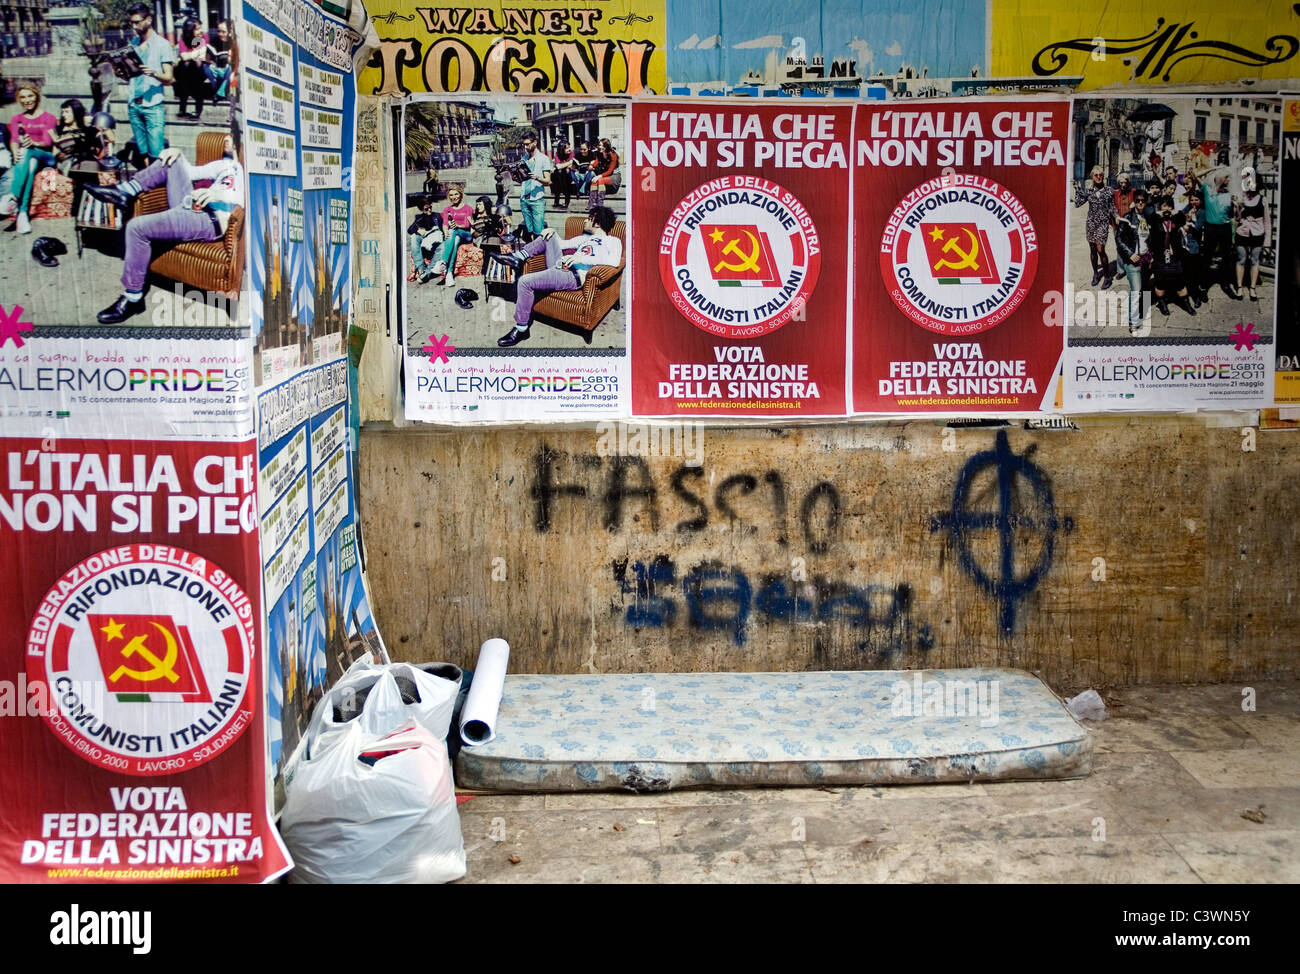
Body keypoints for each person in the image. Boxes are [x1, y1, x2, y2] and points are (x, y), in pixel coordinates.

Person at [84, 129, 243, 323]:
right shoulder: (225, 165)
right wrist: (178, 153)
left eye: (230, 137)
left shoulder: (246, 171)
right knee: (171, 161)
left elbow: (252, 201)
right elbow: (192, 172)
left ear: (237, 143)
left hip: (208, 219)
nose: (224, 139)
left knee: (136, 228)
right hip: (190, 205)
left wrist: (220, 195)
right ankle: (126, 191)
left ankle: (133, 298)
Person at [489, 205, 621, 347]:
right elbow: (561, 244)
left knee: (524, 282)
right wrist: (552, 231)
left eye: (589, 219)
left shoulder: (613, 241)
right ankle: (518, 257)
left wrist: (581, 259)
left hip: (573, 275)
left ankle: (522, 329)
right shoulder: (585, 238)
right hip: (560, 266)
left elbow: (614, 262)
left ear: (597, 223)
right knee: (549, 235)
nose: (585, 222)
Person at [1, 85, 59, 234]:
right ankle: (22, 214)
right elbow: (14, 140)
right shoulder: (17, 119)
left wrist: (33, 144)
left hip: (47, 157)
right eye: (23, 97)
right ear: (19, 100)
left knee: (28, 152)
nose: (27, 100)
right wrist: (15, 154)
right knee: (30, 162)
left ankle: (13, 196)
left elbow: (48, 142)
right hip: (29, 158)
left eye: (30, 96)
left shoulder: (48, 117)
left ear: (37, 96)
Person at [124, 3, 174, 163]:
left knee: (156, 154)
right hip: (134, 104)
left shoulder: (162, 44)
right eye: (131, 22)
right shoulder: (132, 44)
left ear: (149, 20)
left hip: (152, 105)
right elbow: (130, 75)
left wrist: (154, 73)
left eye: (137, 22)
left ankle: (158, 184)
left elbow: (169, 78)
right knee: (143, 153)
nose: (134, 26)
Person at [1147, 197, 1196, 317]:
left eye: (1169, 206)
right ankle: (1162, 303)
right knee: (1160, 282)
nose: (1167, 209)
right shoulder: (1156, 221)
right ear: (1160, 207)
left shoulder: (1175, 220)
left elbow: (1182, 218)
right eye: (1164, 206)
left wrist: (1175, 212)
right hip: (1160, 256)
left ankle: (1186, 304)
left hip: (1175, 256)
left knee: (1180, 281)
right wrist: (1159, 212)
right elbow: (1150, 218)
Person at [1074, 164, 1116, 289]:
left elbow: (1112, 207)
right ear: (1092, 177)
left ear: (1103, 176)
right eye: (1096, 175)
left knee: (1100, 249)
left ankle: (1107, 276)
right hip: (1091, 223)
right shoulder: (1089, 191)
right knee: (1092, 250)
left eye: (1101, 175)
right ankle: (1096, 274)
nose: (1099, 177)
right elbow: (1077, 203)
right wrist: (1077, 189)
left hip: (1103, 223)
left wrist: (1116, 218)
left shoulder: (1109, 190)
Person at [1234, 166, 1271, 302]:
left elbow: (1267, 221)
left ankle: (1252, 287)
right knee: (1241, 260)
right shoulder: (1242, 198)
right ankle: (1239, 287)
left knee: (1255, 261)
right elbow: (1237, 219)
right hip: (1242, 233)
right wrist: (1238, 209)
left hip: (1258, 234)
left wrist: (1267, 241)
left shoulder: (1263, 200)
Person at [1114, 198, 1149, 334]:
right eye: (1138, 200)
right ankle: (1133, 323)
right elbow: (1119, 239)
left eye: (1143, 201)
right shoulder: (1127, 217)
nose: (1141, 202)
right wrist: (1129, 254)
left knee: (1143, 289)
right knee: (1136, 291)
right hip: (1133, 260)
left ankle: (1139, 314)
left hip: (1146, 259)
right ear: (1135, 202)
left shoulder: (1148, 216)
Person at [427, 185, 472, 285]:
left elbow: (467, 224)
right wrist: (445, 231)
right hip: (455, 235)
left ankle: (443, 262)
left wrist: (457, 226)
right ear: (448, 197)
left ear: (460, 195)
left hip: (466, 234)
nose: (454, 197)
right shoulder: (447, 209)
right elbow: (445, 224)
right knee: (455, 240)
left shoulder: (467, 208)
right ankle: (449, 274)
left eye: (456, 194)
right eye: (451, 195)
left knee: (454, 232)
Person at [1202, 172, 1236, 298]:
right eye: (1226, 176)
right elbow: (1195, 175)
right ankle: (1204, 286)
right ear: (1219, 177)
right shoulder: (1207, 189)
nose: (1228, 179)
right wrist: (1216, 168)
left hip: (1225, 227)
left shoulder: (1228, 193)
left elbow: (1231, 213)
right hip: (1211, 228)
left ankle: (1226, 284)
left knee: (1226, 257)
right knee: (1207, 257)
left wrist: (1235, 206)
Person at [174, 18, 212, 120]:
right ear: (189, 30)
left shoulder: (203, 37)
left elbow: (198, 57)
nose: (200, 31)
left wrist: (188, 55)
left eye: (201, 28)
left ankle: (197, 111)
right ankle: (182, 110)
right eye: (197, 29)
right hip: (187, 70)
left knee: (195, 72)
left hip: (199, 69)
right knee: (184, 69)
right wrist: (191, 55)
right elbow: (185, 57)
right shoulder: (183, 38)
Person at [518, 132, 551, 238]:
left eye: (527, 144)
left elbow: (548, 181)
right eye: (524, 144)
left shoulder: (543, 159)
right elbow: (522, 179)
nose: (525, 147)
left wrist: (537, 177)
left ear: (535, 142)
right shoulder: (524, 158)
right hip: (524, 199)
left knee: (538, 232)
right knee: (529, 232)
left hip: (536, 199)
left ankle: (539, 253)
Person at [406, 196, 442, 282]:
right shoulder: (419, 217)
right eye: (426, 209)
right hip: (425, 239)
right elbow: (410, 230)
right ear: (422, 210)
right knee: (414, 237)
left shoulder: (436, 215)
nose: (429, 210)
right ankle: (421, 269)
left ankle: (427, 273)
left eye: (430, 207)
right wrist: (418, 229)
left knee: (441, 247)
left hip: (437, 238)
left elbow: (442, 228)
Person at [205, 21, 232, 102]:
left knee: (230, 68)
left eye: (223, 32)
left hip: (227, 68)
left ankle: (219, 93)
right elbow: (207, 58)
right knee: (205, 67)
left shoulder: (232, 42)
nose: (220, 34)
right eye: (219, 31)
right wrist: (211, 61)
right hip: (216, 67)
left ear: (229, 32)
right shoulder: (214, 41)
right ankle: (218, 91)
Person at [551, 141, 574, 210]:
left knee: (563, 174)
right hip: (559, 176)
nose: (569, 149)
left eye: (569, 147)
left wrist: (563, 165)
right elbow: (558, 166)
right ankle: (557, 200)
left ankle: (565, 201)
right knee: (557, 173)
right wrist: (568, 163)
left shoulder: (571, 154)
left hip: (568, 176)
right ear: (562, 149)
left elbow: (571, 165)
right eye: (567, 148)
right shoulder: (557, 154)